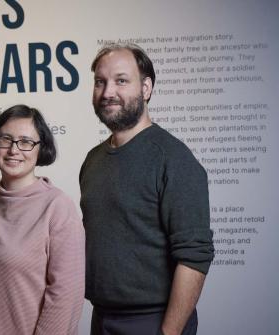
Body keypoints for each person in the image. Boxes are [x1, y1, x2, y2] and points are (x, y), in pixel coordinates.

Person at [79, 43, 215, 335]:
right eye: (100, 82)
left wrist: (168, 332)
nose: (108, 92)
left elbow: (194, 256)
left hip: (153, 321)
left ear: (146, 88)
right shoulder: (93, 160)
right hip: (102, 317)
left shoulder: (173, 159)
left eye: (121, 80)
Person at [0, 104, 85, 335]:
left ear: (41, 149)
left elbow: (66, 297)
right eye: (6, 139)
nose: (13, 150)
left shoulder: (58, 208)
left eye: (26, 142)